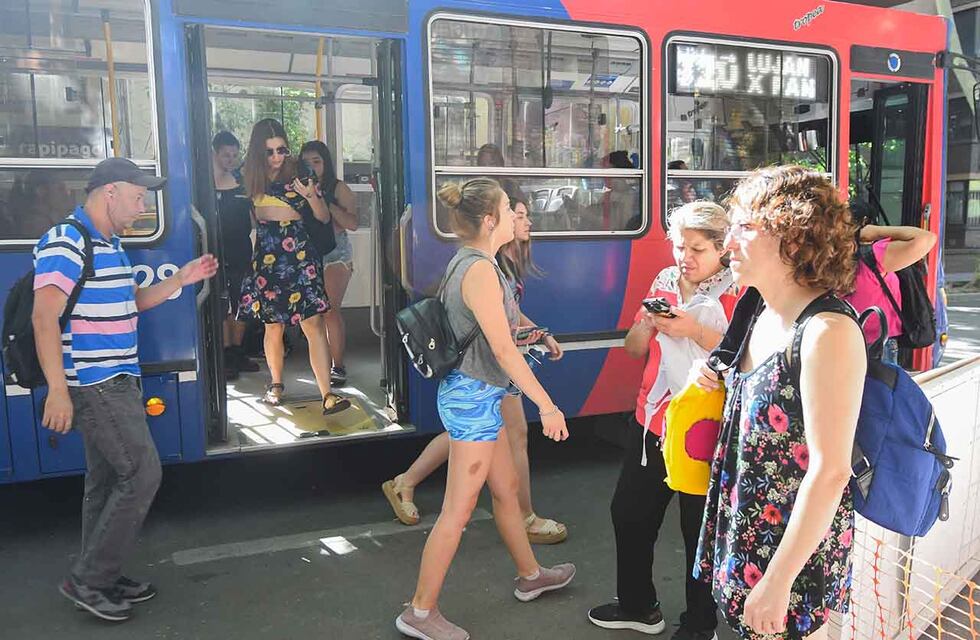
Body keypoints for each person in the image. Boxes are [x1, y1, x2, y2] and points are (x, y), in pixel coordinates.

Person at [32, 157, 218, 622]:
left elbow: (130, 302)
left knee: (107, 480)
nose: (141, 208)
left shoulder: (109, 243)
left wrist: (181, 279)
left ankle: (100, 571)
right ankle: (89, 578)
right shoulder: (67, 242)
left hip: (119, 376)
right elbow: (43, 318)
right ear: (110, 192)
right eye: (137, 198)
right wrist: (58, 389)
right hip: (95, 382)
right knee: (142, 472)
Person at [395, 178, 575, 640]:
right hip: (473, 399)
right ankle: (419, 612)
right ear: (491, 220)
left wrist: (536, 334)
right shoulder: (479, 270)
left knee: (506, 490)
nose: (520, 218)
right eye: (510, 211)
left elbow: (500, 334)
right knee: (457, 511)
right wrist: (548, 405)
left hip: (479, 393)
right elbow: (502, 349)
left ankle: (531, 577)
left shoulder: (475, 263)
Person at [693, 166, 866, 640]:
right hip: (747, 526)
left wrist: (777, 581)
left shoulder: (827, 332)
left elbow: (831, 472)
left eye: (745, 226)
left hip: (789, 552)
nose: (728, 243)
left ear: (795, 237)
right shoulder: (758, 308)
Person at [588, 201, 737, 638]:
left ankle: (699, 624)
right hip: (651, 420)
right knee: (629, 513)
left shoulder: (738, 289)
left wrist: (693, 330)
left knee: (697, 530)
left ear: (721, 251)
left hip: (703, 430)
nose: (685, 258)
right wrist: (648, 324)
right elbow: (634, 350)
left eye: (697, 249)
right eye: (679, 246)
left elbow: (744, 357)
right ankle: (638, 605)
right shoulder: (665, 281)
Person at [237, 118, 349, 415]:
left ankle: (327, 394)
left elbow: (323, 217)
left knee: (312, 323)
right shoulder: (249, 176)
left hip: (299, 256)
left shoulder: (302, 172)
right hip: (268, 256)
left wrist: (312, 196)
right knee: (272, 326)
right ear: (257, 154)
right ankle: (275, 385)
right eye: (269, 152)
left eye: (281, 149)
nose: (277, 157)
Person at [845, 204, 937, 365]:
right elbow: (926, 238)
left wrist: (873, 233)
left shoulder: (872, 254)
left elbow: (927, 238)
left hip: (858, 342)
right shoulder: (872, 255)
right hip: (868, 343)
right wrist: (878, 231)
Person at [299, 141, 359, 385]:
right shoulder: (297, 186)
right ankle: (321, 363)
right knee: (313, 315)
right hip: (307, 255)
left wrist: (325, 201)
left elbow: (353, 223)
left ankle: (338, 365)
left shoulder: (339, 188)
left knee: (331, 310)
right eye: (307, 162)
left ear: (326, 163)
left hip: (336, 255)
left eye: (317, 161)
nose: (313, 167)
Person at [212, 131, 259, 380]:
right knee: (222, 304)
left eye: (234, 154)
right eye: (225, 155)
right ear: (215, 154)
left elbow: (256, 214)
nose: (230, 159)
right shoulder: (205, 182)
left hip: (241, 248)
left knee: (242, 301)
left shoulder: (243, 181)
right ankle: (225, 354)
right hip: (215, 250)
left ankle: (239, 352)